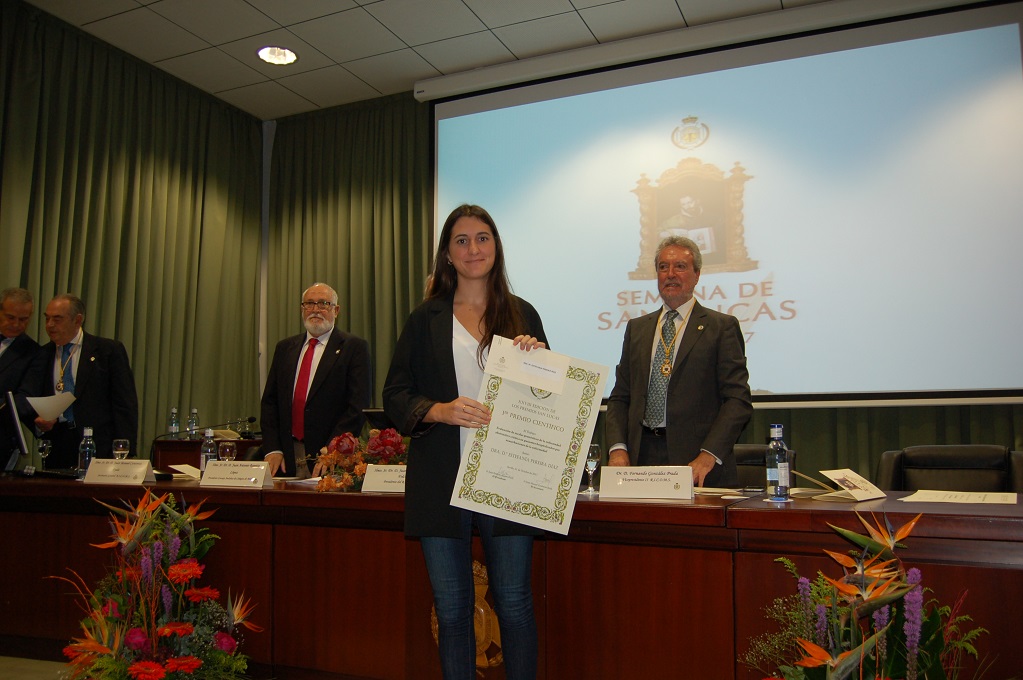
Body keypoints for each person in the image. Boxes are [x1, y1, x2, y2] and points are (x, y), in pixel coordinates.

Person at [383, 204, 547, 680]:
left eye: (482, 238)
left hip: (511, 477)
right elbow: (394, 394)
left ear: (495, 247)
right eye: (461, 240)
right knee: (452, 610)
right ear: (447, 255)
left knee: (515, 603)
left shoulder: (523, 313)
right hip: (440, 478)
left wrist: (539, 362)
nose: (472, 248)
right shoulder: (424, 318)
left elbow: (548, 399)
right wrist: (439, 411)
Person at [605, 235, 752, 487]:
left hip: (697, 463)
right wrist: (617, 448)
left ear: (697, 274)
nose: (670, 274)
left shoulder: (721, 327)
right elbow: (621, 397)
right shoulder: (637, 328)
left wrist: (708, 455)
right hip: (640, 458)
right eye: (663, 267)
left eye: (680, 267)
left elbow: (737, 400)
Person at [260, 282, 371, 478]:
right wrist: (273, 449)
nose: (316, 310)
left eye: (323, 304)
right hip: (286, 457)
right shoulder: (285, 348)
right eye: (309, 304)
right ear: (302, 309)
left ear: (336, 310)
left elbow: (357, 406)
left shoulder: (354, 348)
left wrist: (333, 450)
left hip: (329, 457)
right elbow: (270, 402)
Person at [22, 294, 138, 469]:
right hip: (57, 447)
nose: (49, 325)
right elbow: (28, 397)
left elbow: (124, 403)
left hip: (100, 446)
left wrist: (125, 450)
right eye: (47, 319)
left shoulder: (107, 351)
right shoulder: (42, 355)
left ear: (77, 320)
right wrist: (38, 424)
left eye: (57, 319)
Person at [0, 288, 39, 462]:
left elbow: (26, 397)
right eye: (10, 318)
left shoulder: (34, 353)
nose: (16, 324)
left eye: (23, 320)